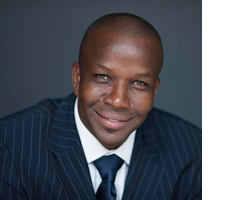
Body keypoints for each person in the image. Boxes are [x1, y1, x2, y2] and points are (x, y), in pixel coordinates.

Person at [0, 13, 201, 200]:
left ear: (154, 90)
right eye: (102, 77)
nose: (118, 101)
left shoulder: (192, 151)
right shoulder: (10, 144)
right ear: (77, 78)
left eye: (139, 83)